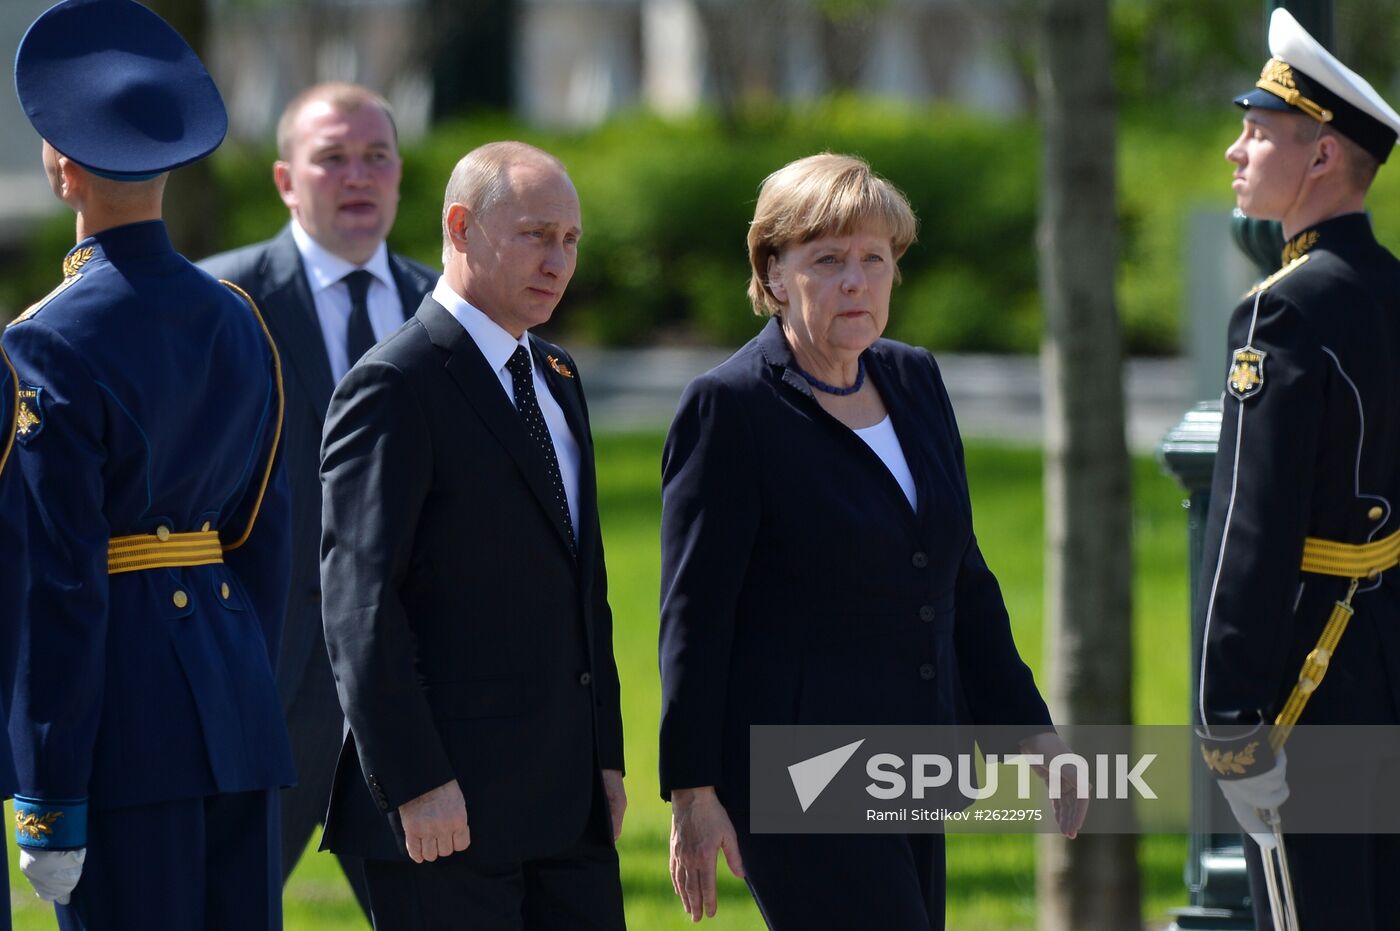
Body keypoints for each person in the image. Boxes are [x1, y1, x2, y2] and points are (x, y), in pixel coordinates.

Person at [658, 153, 1085, 929]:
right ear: (774, 272)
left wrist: (1029, 730)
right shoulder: (729, 408)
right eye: (827, 260)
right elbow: (694, 617)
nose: (856, 280)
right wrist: (693, 793)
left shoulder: (914, 378)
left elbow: (962, 577)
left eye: (874, 259)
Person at [2, 1, 295, 927]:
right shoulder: (239, 316)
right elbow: (262, 541)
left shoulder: (43, 341)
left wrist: (48, 786)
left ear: (61, 164)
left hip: (121, 733)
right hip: (235, 708)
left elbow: (59, 580)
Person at [319, 141, 627, 930]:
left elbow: (582, 587)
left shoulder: (556, 375)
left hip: (567, 806)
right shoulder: (394, 384)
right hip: (446, 811)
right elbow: (360, 607)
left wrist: (606, 756)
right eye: (534, 234)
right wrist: (416, 781)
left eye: (570, 239)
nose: (558, 259)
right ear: (460, 226)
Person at [199, 81, 434, 912]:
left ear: (401, 175)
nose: (358, 176)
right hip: (266, 679)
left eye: (376, 157)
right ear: (285, 181)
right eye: (331, 158)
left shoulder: (448, 305)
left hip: (418, 691)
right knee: (225, 907)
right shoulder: (218, 304)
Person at [1195, 8, 1400, 929]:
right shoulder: (1390, 289)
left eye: (1258, 133)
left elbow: (1252, 528)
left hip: (1315, 688)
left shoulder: (1281, 312)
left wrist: (1230, 726)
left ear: (1320, 158)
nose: (1236, 151)